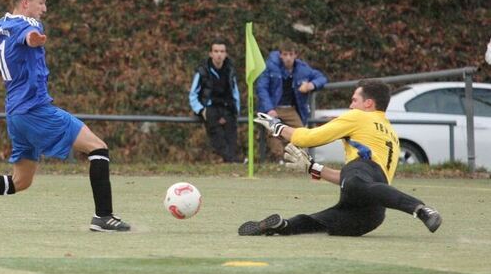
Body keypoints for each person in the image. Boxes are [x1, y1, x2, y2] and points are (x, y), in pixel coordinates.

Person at [0, 0, 130, 232]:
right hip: (35, 110)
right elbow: (28, 36)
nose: (44, 8)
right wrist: (34, 38)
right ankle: (104, 217)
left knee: (20, 181)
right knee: (98, 148)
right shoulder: (27, 23)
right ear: (25, 3)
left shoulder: (0, 27)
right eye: (42, 2)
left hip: (16, 116)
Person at [239, 79, 442, 237]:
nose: (351, 105)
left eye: (354, 100)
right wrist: (313, 168)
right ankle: (280, 226)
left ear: (368, 103)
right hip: (373, 216)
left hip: (362, 185)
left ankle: (421, 209)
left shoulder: (358, 116)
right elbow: (365, 183)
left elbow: (308, 138)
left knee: (353, 185)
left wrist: (278, 126)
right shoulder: (391, 133)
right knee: (313, 222)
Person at [255, 39, 327, 162]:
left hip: (291, 108)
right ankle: (280, 158)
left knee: (301, 133)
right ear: (280, 55)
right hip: (274, 107)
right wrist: (269, 109)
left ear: (295, 55)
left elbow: (321, 77)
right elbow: (262, 87)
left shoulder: (302, 68)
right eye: (285, 54)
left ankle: (298, 160)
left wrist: (311, 85)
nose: (288, 58)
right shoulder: (270, 67)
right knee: (273, 132)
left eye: (291, 54)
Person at [188, 39, 242, 163]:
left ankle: (231, 159)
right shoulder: (202, 71)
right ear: (211, 54)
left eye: (222, 51)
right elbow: (193, 94)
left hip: (227, 106)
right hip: (209, 106)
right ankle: (231, 160)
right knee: (216, 133)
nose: (219, 54)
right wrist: (200, 110)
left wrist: (236, 110)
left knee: (231, 134)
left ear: (226, 54)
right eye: (216, 51)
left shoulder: (230, 70)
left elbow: (235, 92)